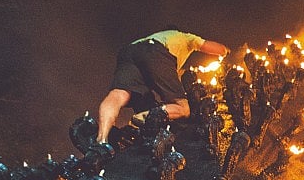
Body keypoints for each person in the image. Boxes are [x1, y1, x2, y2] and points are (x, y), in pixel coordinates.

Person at [96, 28, 229, 144]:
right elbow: (210, 46)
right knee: (183, 108)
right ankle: (143, 117)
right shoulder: (185, 37)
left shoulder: (159, 37)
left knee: (118, 94)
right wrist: (224, 50)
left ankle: (101, 140)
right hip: (154, 50)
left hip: (129, 51)